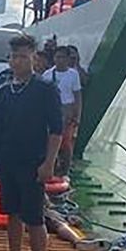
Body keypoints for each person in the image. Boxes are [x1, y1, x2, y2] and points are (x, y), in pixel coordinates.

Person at [0, 34, 63, 251]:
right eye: (14, 56)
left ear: (34, 58)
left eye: (23, 56)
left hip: (33, 163)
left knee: (34, 219)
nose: (17, 61)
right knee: (12, 213)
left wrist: (49, 163)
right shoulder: (4, 91)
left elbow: (56, 130)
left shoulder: (45, 89)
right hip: (7, 162)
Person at [43, 46, 82, 176]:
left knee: (66, 142)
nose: (59, 60)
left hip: (67, 109)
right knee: (50, 140)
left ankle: (65, 169)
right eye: (57, 57)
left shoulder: (73, 74)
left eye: (62, 57)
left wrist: (77, 115)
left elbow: (77, 96)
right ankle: (51, 167)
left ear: (67, 59)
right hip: (51, 109)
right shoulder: (47, 74)